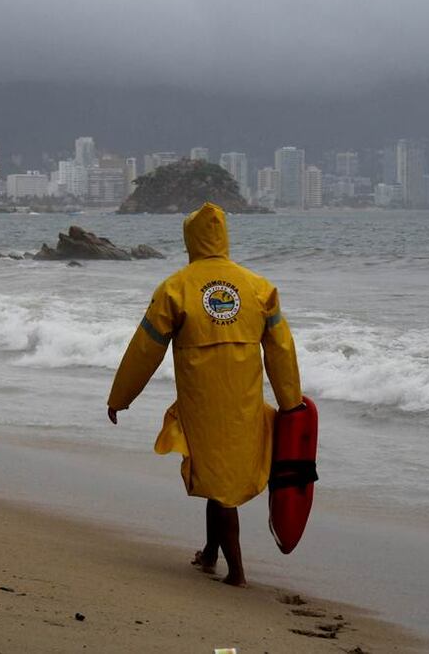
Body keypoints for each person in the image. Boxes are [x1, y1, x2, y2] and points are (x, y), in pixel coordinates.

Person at [107, 201, 303, 587]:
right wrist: (290, 403)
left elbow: (145, 349)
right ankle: (212, 552)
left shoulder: (175, 288)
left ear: (190, 240)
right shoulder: (259, 287)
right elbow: (281, 348)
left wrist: (120, 396)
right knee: (221, 478)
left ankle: (237, 574)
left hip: (203, 403)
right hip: (245, 401)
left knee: (220, 484)